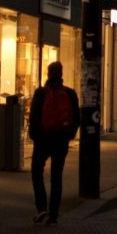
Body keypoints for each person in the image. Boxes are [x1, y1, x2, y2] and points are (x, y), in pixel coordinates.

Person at [29, 61, 80, 225]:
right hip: (61, 141)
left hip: (43, 140)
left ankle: (41, 207)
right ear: (61, 74)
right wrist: (69, 136)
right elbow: (77, 119)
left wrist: (35, 136)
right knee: (56, 177)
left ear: (48, 73)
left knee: (37, 172)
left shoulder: (40, 93)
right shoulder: (70, 93)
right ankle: (53, 215)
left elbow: (34, 117)